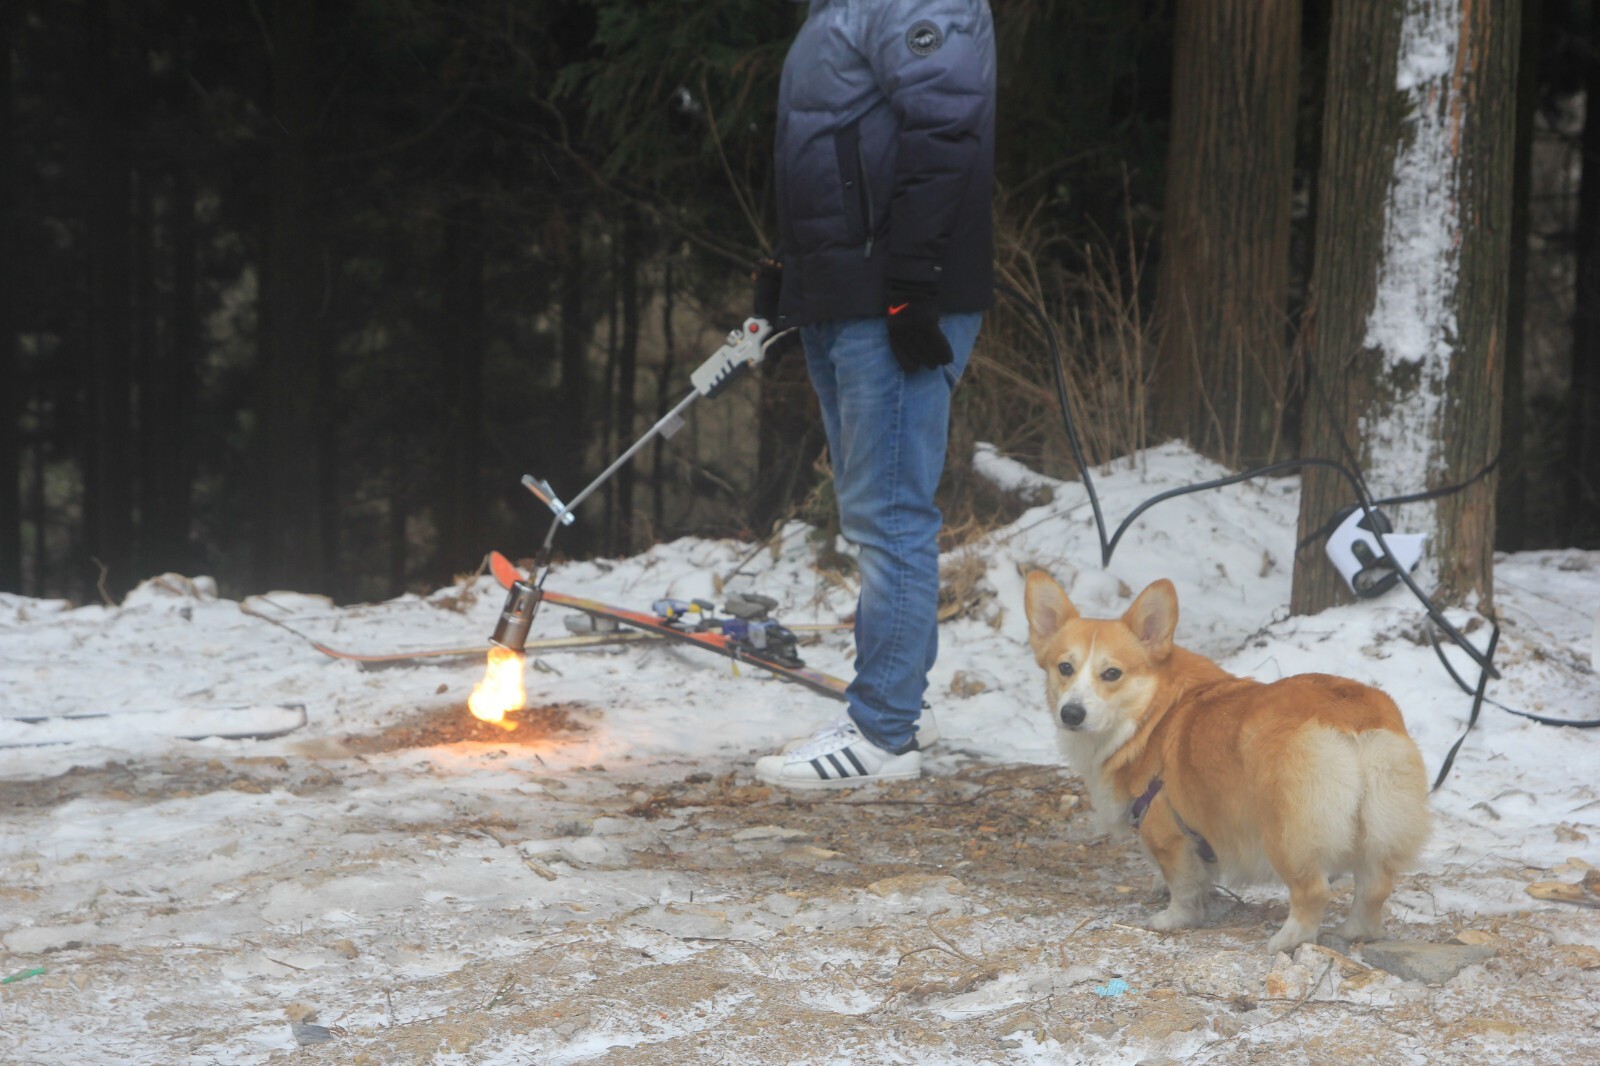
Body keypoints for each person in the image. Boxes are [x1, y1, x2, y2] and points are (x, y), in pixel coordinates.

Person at [751, 0, 996, 789]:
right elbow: (822, 145)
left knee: (890, 513)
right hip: (844, 291)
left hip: (891, 294)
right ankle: (899, 707)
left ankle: (882, 732)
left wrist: (911, 283)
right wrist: (786, 275)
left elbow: (946, 128)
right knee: (872, 511)